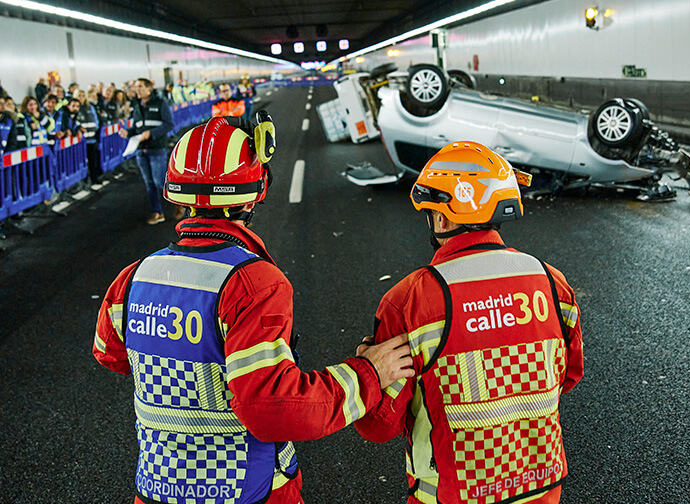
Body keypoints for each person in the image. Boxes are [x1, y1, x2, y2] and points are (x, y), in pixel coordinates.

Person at [93, 115, 415, 504]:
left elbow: (111, 354)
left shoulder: (133, 277)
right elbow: (271, 408)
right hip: (248, 489)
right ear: (253, 192)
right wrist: (368, 374)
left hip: (155, 489)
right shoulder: (254, 283)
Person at [353, 141, 584, 504]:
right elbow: (567, 377)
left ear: (443, 216)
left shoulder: (408, 300)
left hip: (447, 495)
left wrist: (368, 370)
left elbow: (379, 425)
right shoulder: (553, 284)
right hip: (542, 491)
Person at [118, 78, 174, 225]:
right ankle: (157, 212)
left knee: (160, 182)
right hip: (141, 151)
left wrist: (151, 133)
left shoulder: (160, 103)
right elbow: (138, 128)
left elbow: (169, 124)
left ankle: (181, 203)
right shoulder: (137, 106)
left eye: (140, 87)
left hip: (156, 149)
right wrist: (128, 133)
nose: (137, 90)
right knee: (149, 183)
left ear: (149, 89)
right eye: (136, 87)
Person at [75, 89, 102, 183]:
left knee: (93, 160)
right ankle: (85, 180)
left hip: (92, 138)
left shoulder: (90, 107)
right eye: (79, 95)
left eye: (83, 95)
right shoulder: (75, 107)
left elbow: (96, 120)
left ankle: (94, 178)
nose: (81, 97)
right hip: (82, 140)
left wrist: (95, 131)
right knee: (82, 162)